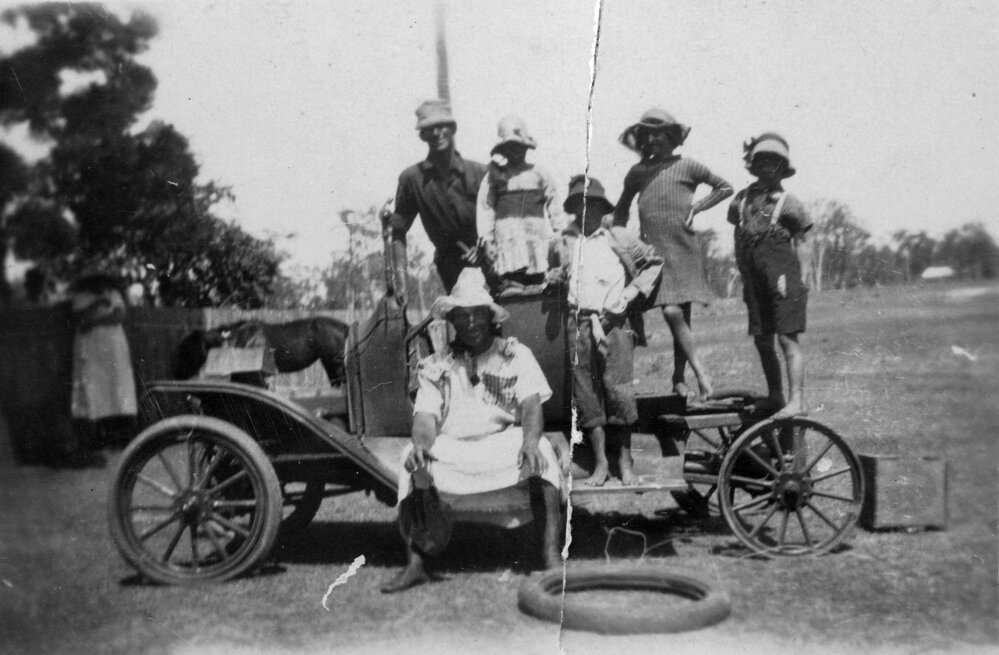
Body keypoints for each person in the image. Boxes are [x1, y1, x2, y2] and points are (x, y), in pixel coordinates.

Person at [381, 268, 564, 593]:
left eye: (477, 314)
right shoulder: (437, 363)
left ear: (490, 317)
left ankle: (551, 556)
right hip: (453, 445)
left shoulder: (515, 354)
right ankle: (415, 564)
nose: (470, 323)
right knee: (411, 459)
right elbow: (425, 417)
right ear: (451, 319)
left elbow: (532, 405)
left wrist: (530, 441)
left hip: (502, 442)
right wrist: (422, 443)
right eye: (461, 316)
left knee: (545, 454)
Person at [548, 175, 663, 487]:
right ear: (573, 209)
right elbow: (554, 278)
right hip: (579, 325)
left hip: (615, 324)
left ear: (602, 207)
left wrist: (632, 292)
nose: (588, 211)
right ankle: (601, 463)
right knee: (587, 395)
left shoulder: (618, 236)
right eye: (580, 205)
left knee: (618, 391)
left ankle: (625, 461)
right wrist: (555, 277)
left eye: (593, 204)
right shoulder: (563, 240)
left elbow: (654, 262)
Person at [613, 108, 733, 401]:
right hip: (652, 255)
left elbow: (725, 187)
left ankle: (682, 378)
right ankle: (696, 374)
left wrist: (698, 207)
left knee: (678, 313)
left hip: (683, 249)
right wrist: (618, 238)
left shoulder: (688, 166)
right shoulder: (638, 173)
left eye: (659, 134)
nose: (653, 140)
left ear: (672, 136)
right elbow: (620, 209)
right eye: (647, 135)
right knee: (673, 312)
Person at [727, 133, 812, 418]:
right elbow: (737, 234)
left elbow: (802, 242)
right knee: (763, 340)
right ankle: (775, 395)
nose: (767, 168)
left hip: (783, 277)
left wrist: (803, 282)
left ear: (782, 168)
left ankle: (796, 401)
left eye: (774, 163)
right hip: (754, 279)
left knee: (787, 340)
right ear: (753, 165)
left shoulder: (789, 202)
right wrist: (742, 272)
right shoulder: (741, 200)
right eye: (762, 161)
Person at [384, 99, 488, 296]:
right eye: (429, 129)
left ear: (453, 128)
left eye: (442, 126)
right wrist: (401, 282)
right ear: (422, 135)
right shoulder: (412, 179)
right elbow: (398, 231)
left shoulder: (480, 173)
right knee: (466, 319)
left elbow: (501, 220)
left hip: (490, 262)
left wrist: (483, 247)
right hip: (451, 268)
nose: (437, 133)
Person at [476, 115, 564, 292]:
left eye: (519, 146)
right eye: (510, 147)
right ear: (503, 149)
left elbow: (554, 205)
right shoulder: (494, 176)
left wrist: (560, 234)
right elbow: (486, 208)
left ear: (526, 147)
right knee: (511, 286)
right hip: (508, 239)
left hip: (534, 238)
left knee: (538, 284)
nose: (515, 151)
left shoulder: (539, 173)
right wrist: (487, 240)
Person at [69, 271, 138, 451]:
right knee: (96, 390)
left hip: (113, 350)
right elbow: (80, 319)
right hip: (92, 350)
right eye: (97, 282)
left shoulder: (113, 294)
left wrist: (94, 321)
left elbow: (119, 316)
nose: (101, 286)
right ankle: (99, 439)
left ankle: (120, 437)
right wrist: (97, 305)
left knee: (117, 389)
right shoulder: (82, 296)